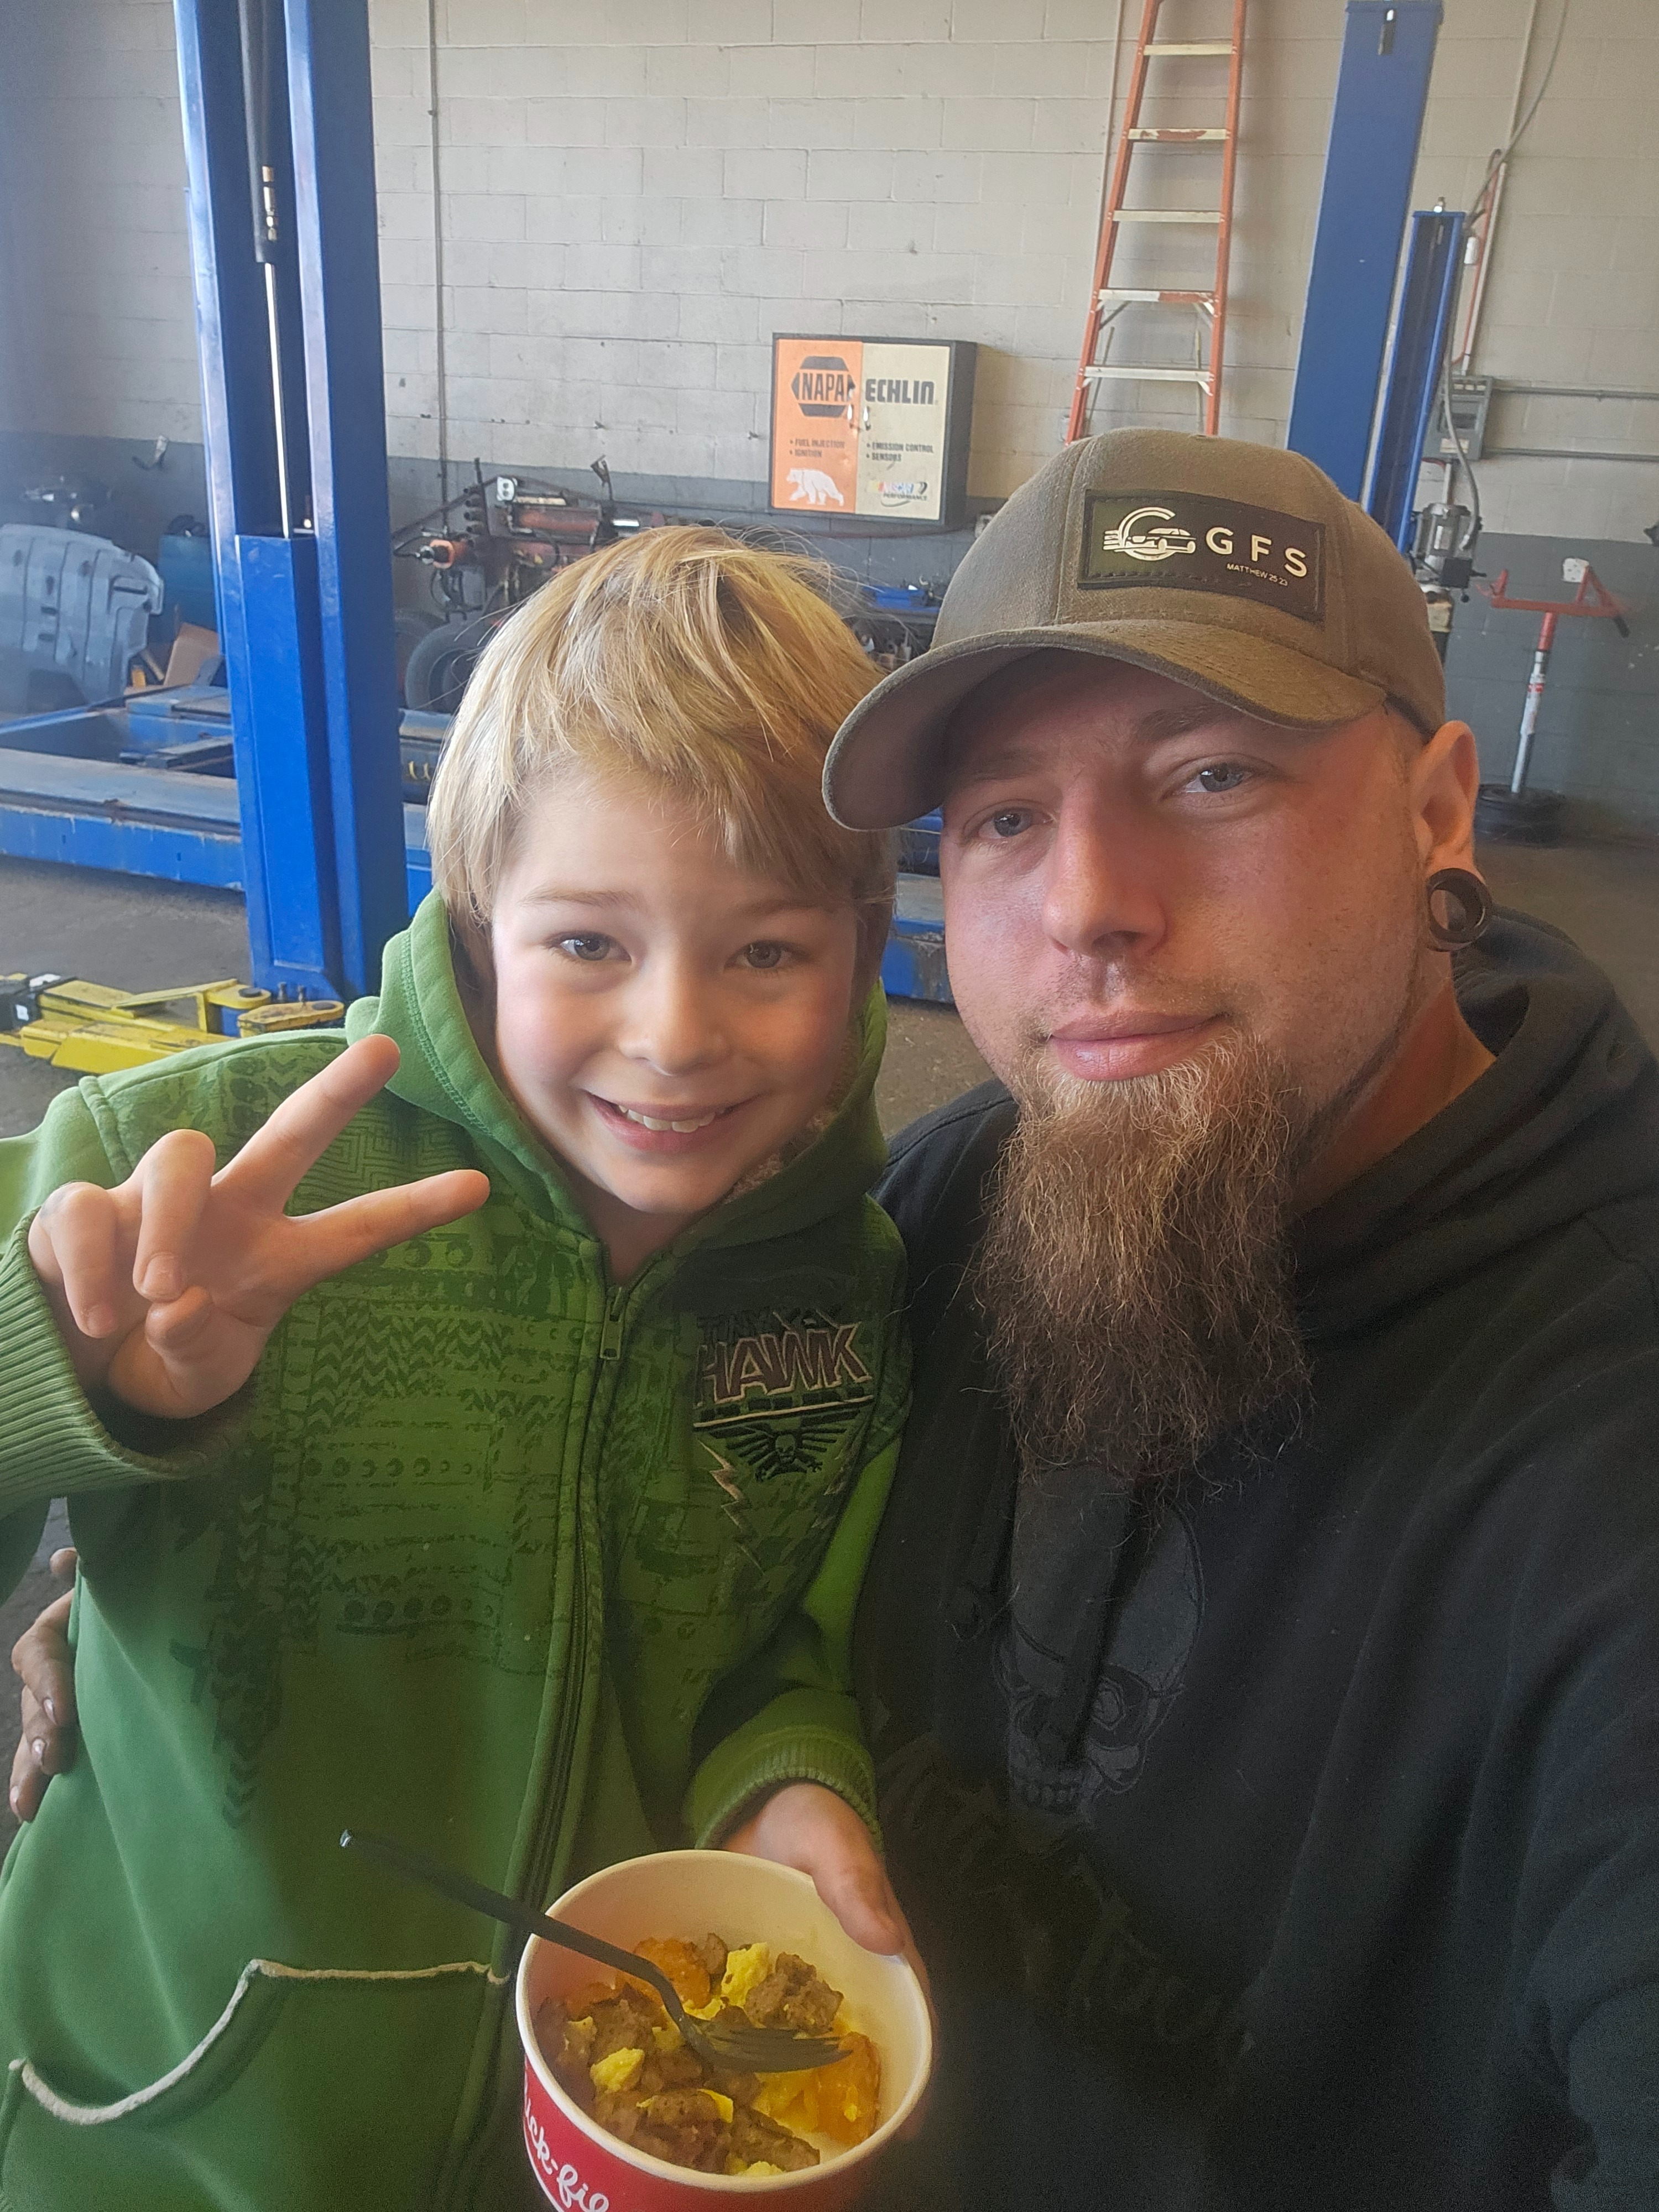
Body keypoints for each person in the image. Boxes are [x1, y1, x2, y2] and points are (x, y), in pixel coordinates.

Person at [0, 527, 912, 2210]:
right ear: (482, 921)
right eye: (590, 945)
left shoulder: (848, 1289)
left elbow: (774, 1642)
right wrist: (70, 1376)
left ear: (864, 952)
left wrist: (779, 1786)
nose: (675, 1035)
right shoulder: (177, 1167)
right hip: (160, 2139)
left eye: (767, 952)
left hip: (580, 2135)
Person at [818, 430, 1659, 2206]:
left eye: (1211, 776)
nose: (1091, 905)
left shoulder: (1605, 1450)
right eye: (1006, 818)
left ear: (1438, 812)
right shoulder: (954, 1198)